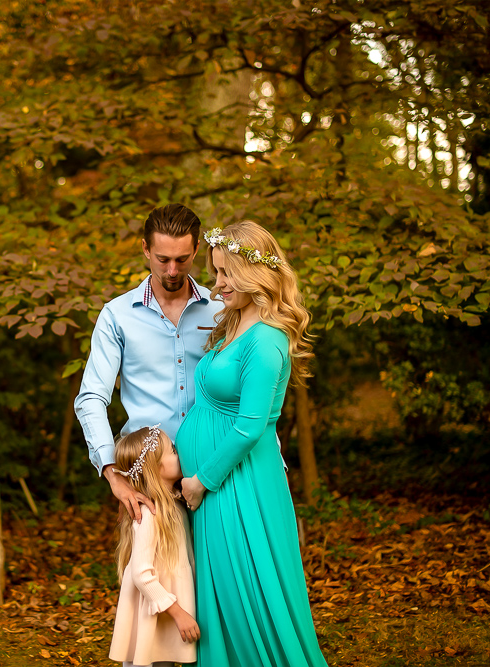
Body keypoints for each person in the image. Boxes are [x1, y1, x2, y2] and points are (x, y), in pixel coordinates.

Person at [176, 221, 328, 666]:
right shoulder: (234, 322)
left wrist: (202, 480)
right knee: (220, 592)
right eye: (216, 272)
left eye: (227, 274)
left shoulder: (266, 340)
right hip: (217, 481)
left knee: (246, 590)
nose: (217, 284)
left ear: (254, 275)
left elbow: (250, 427)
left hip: (234, 483)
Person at [75, 204, 223, 520]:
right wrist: (112, 474)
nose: (172, 270)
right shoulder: (117, 316)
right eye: (163, 259)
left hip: (215, 471)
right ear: (145, 249)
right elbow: (91, 398)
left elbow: (245, 390)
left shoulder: (221, 310)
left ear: (197, 249)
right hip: (150, 484)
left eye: (182, 260)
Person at [108, 424, 199, 667]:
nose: (179, 454)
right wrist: (178, 613)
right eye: (173, 451)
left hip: (164, 613)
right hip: (158, 611)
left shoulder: (175, 505)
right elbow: (141, 573)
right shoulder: (150, 514)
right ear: (155, 467)